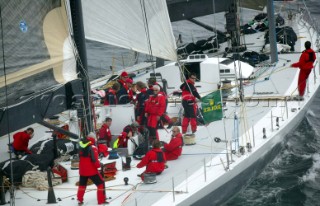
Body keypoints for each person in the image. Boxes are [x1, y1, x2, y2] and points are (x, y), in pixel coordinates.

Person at [77, 133, 106, 205]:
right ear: (94, 138)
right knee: (100, 184)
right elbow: (94, 160)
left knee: (82, 185)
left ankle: (79, 200)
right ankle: (101, 201)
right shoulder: (93, 147)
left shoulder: (81, 146)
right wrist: (99, 165)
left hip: (82, 171)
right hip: (91, 171)